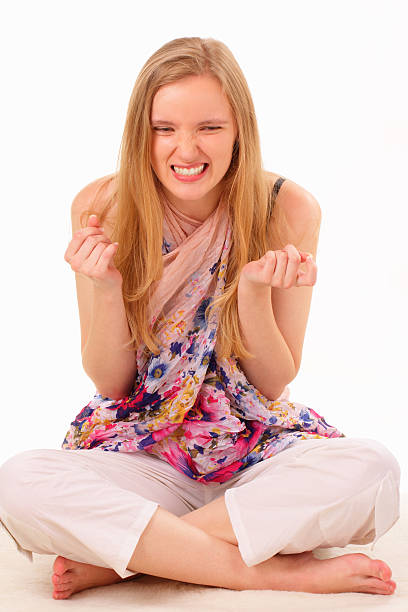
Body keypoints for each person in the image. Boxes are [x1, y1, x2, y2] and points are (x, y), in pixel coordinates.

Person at [0, 37, 401, 600]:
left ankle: (136, 558)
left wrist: (254, 292)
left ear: (240, 129)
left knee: (373, 469)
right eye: (164, 128)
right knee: (18, 481)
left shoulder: (287, 208)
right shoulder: (103, 206)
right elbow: (110, 384)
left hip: (256, 453)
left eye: (209, 127)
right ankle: (267, 568)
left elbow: (273, 382)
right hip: (145, 457)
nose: (185, 149)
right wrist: (105, 287)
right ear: (142, 131)